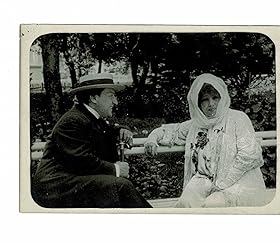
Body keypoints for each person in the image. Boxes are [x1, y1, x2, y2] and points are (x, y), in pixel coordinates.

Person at [144, 73, 266, 208]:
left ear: (223, 98)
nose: (211, 104)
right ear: (197, 103)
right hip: (204, 180)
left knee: (212, 204)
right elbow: (170, 131)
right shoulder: (196, 124)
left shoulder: (238, 118)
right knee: (186, 202)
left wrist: (221, 185)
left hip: (237, 181)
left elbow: (248, 156)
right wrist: (152, 140)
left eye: (215, 98)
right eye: (205, 100)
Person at [32, 73, 152, 208]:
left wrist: (121, 130)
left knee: (118, 189)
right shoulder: (73, 120)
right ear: (93, 98)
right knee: (120, 186)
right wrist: (116, 169)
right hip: (55, 188)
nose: (115, 102)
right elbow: (80, 160)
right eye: (110, 96)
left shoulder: (87, 117)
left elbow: (105, 131)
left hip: (69, 183)